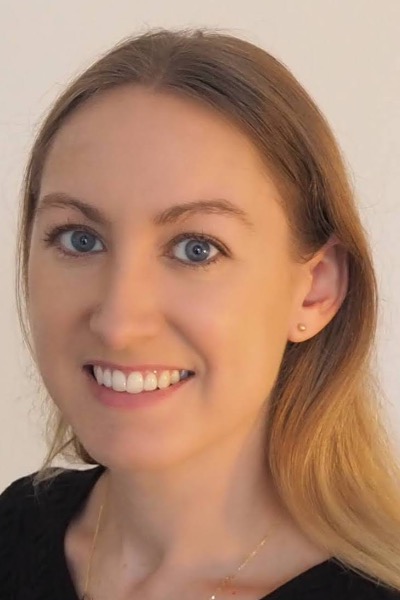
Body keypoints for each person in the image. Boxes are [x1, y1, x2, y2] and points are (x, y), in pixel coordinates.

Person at [1, 26, 400, 600]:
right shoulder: (14, 533)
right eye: (80, 239)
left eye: (197, 248)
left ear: (315, 290)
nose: (118, 322)